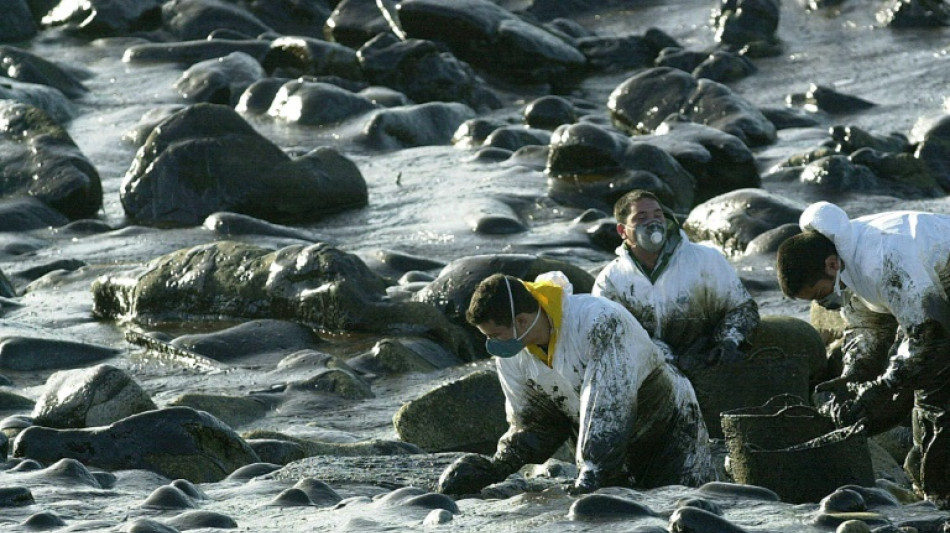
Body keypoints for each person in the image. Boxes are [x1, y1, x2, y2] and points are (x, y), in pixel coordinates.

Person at [437, 271, 714, 496]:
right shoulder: (513, 356)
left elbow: (608, 405)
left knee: (682, 504)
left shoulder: (599, 321)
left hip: (667, 427)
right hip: (603, 441)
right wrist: (500, 467)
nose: (492, 345)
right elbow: (534, 422)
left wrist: (590, 474)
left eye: (495, 335)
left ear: (521, 321)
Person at [776, 200, 950, 508]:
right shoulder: (844, 256)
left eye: (819, 295)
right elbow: (866, 328)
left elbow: (929, 334)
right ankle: (929, 483)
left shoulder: (882, 259)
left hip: (938, 296)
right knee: (912, 380)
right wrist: (852, 377)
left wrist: (883, 386)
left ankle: (940, 493)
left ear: (831, 265)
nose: (824, 304)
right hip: (931, 296)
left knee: (934, 391)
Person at [592, 190, 759, 371]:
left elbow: (743, 308)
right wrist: (669, 358)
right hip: (652, 371)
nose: (653, 223)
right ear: (622, 231)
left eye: (658, 215)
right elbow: (612, 335)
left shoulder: (706, 259)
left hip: (711, 362)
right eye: (641, 218)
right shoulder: (611, 280)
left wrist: (728, 342)